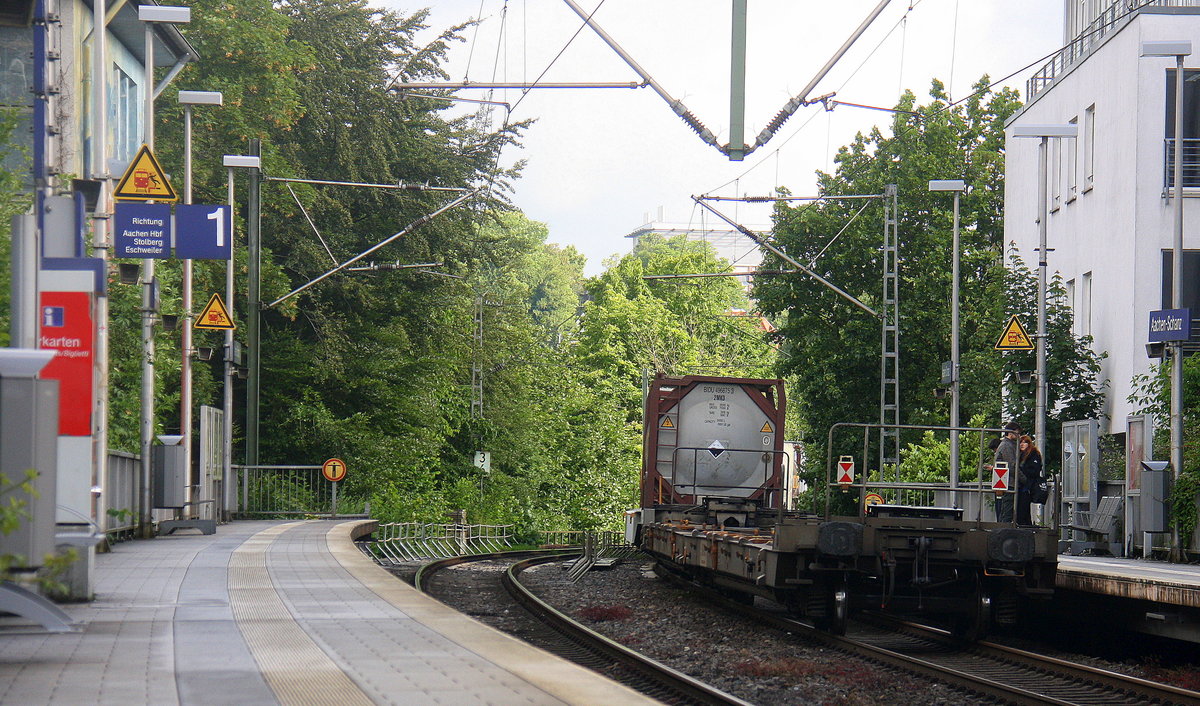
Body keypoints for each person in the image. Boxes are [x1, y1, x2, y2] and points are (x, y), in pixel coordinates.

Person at [993, 422, 1021, 523]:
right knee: (1006, 512)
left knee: (1006, 511)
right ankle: (1003, 533)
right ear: (1010, 433)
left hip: (1005, 482)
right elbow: (1012, 465)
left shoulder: (1007, 445)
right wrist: (1023, 478)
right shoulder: (1007, 446)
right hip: (1008, 482)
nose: (1019, 436)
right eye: (1017, 433)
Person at [1017, 435, 1044, 526]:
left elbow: (1035, 470)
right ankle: (1025, 525)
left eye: (1024, 442)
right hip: (1021, 485)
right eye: (1020, 442)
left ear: (1029, 444)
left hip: (1028, 485)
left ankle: (1026, 526)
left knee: (1023, 508)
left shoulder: (1034, 454)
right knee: (1022, 509)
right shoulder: (1019, 455)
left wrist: (1022, 470)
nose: (1022, 444)